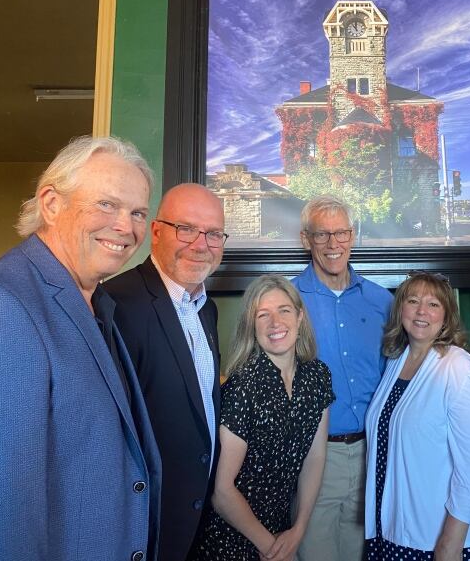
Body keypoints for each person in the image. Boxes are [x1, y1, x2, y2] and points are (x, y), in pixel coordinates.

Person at [0, 136, 161, 561]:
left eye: (137, 212)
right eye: (107, 205)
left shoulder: (98, 303)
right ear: (50, 204)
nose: (126, 226)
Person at [103, 183, 226, 561]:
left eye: (214, 234)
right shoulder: (115, 304)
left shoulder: (206, 308)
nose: (200, 244)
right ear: (156, 231)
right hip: (145, 524)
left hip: (196, 519)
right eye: (186, 229)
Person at [193, 275, 334, 561]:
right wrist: (271, 548)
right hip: (231, 539)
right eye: (263, 315)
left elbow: (315, 457)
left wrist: (299, 528)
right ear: (251, 325)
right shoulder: (243, 386)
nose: (275, 323)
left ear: (300, 316)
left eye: (284, 310)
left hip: (283, 532)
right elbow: (222, 492)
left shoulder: (318, 376)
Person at [364, 271, 470, 560]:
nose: (422, 311)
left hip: (444, 538)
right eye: (413, 301)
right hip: (396, 531)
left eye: (434, 304)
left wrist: (451, 541)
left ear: (447, 315)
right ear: (401, 308)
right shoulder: (396, 361)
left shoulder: (459, 368)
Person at [293, 195, 394, 561]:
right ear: (306, 239)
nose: (333, 244)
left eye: (341, 233)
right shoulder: (288, 300)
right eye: (322, 235)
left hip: (373, 455)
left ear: (352, 237)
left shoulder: (383, 301)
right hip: (315, 456)